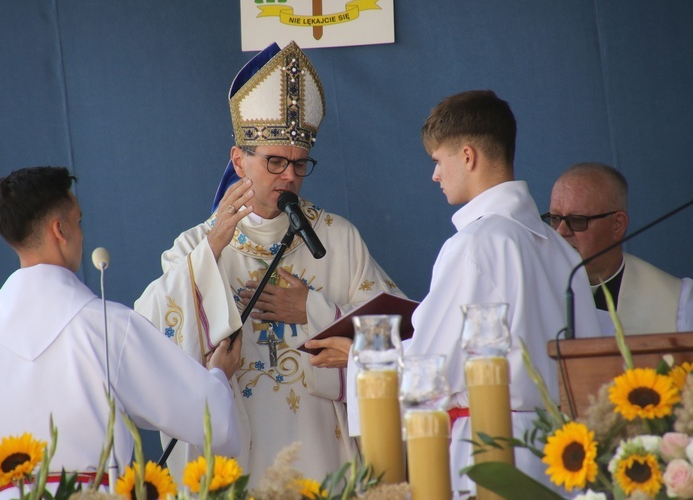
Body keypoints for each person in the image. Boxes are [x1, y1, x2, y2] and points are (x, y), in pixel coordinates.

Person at [135, 41, 405, 486]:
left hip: (320, 452)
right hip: (236, 457)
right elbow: (147, 342)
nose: (289, 177)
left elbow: (397, 338)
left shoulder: (338, 239)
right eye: (275, 161)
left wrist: (314, 311)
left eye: (300, 165)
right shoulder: (195, 246)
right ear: (239, 160)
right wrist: (211, 253)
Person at [348, 90, 603, 495]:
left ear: (467, 156)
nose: (435, 175)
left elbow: (434, 363)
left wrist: (362, 362)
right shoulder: (556, 244)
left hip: (491, 450)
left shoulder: (476, 243)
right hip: (564, 451)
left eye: (438, 161)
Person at [0, 166, 241, 488]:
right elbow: (210, 421)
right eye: (78, 222)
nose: (81, 234)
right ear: (60, 230)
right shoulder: (103, 327)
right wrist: (218, 375)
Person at [546, 162, 693, 334]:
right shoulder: (531, 290)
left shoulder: (678, 303)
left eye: (577, 220)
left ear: (617, 225)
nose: (561, 231)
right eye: (555, 218)